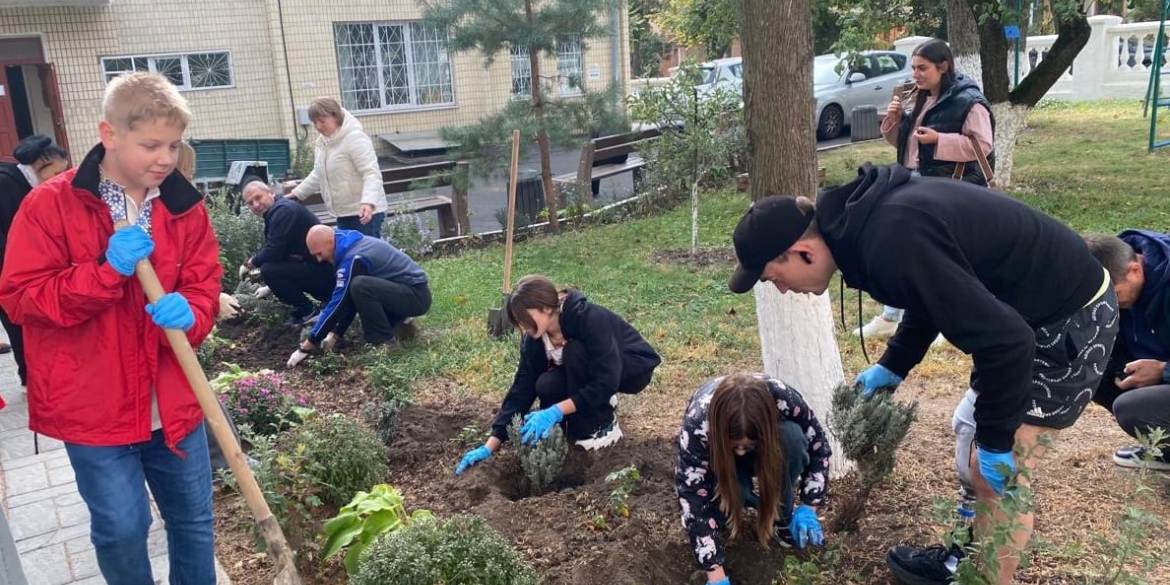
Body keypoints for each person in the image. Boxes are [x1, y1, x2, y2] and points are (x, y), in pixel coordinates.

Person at [726, 166, 1118, 585]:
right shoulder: (865, 228)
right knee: (971, 430)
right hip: (1025, 316)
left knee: (995, 475)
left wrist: (998, 441)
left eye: (774, 278)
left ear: (803, 251)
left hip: (1068, 324)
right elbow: (930, 290)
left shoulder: (889, 240)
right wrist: (893, 365)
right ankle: (961, 560)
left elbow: (1008, 342)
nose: (783, 290)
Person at [0, 72, 222, 583]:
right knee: (122, 526)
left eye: (173, 144)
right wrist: (105, 273)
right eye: (151, 145)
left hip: (173, 400)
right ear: (110, 135)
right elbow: (20, 296)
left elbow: (203, 282)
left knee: (193, 523)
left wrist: (191, 310)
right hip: (93, 405)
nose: (165, 158)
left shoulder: (183, 207)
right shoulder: (50, 206)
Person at [856, 38, 995, 341]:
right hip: (911, 182)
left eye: (922, 68)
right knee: (897, 246)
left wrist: (939, 141)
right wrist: (894, 122)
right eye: (913, 68)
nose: (915, 74)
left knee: (943, 254)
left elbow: (983, 145)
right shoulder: (919, 97)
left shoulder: (968, 100)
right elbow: (907, 148)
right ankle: (891, 316)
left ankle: (952, 321)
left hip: (946, 188)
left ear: (943, 67)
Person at [455, 275, 661, 473]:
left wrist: (555, 411)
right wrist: (491, 444)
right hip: (595, 372)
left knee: (574, 351)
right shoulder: (534, 340)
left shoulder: (587, 319)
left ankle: (601, 423)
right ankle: (578, 417)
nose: (521, 326)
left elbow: (606, 380)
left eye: (524, 317)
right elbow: (521, 389)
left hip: (630, 368)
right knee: (546, 383)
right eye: (517, 320)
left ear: (546, 308)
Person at [676, 373, 829, 585]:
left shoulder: (784, 400)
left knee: (792, 438)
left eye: (747, 446)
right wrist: (716, 575)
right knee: (731, 494)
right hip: (718, 455)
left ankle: (781, 517)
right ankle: (723, 514)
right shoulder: (698, 424)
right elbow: (691, 493)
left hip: (770, 449)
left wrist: (809, 506)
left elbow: (819, 448)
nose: (740, 452)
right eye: (735, 445)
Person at [1084, 231, 1170, 471]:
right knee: (1091, 367)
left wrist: (1163, 371)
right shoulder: (1116, 279)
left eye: (1115, 294)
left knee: (1131, 408)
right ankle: (1165, 449)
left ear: (1135, 270)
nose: (1110, 303)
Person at [286, 225, 430, 367]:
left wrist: (307, 345)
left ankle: (385, 344)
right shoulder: (346, 243)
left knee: (361, 286)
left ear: (329, 241)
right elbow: (349, 299)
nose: (319, 259)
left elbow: (338, 303)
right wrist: (336, 333)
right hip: (405, 292)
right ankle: (403, 325)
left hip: (416, 296)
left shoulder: (353, 258)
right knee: (359, 287)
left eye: (319, 253)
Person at [0, 135, 70, 386]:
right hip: (8, 274)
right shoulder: (6, 185)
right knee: (19, 326)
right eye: (56, 173)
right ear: (38, 168)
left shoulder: (30, 186)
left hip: (21, 269)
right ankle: (30, 379)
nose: (61, 179)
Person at [284, 97, 387, 237]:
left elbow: (371, 173)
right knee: (348, 256)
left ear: (335, 116)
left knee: (366, 256)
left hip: (365, 214)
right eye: (314, 122)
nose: (318, 126)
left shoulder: (355, 138)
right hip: (343, 213)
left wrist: (368, 203)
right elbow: (318, 173)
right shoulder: (323, 144)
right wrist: (296, 194)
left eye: (322, 120)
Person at [240, 180, 334, 326]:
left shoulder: (283, 211)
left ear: (271, 192)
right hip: (320, 271)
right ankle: (308, 312)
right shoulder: (279, 210)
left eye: (258, 198)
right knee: (271, 269)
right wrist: (270, 287)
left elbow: (274, 252)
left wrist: (250, 263)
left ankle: (308, 313)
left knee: (269, 270)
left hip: (327, 276)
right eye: (250, 203)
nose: (256, 205)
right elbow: (284, 253)